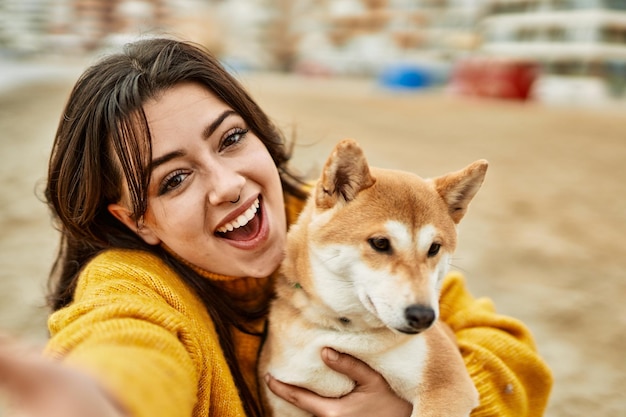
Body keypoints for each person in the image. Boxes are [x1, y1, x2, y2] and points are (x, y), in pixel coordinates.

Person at [0, 37, 552, 417]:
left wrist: (407, 406)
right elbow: (123, 337)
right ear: (135, 221)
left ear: (260, 133)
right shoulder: (135, 283)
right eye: (173, 180)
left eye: (231, 138)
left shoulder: (321, 219)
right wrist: (109, 398)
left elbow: (508, 349)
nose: (228, 185)